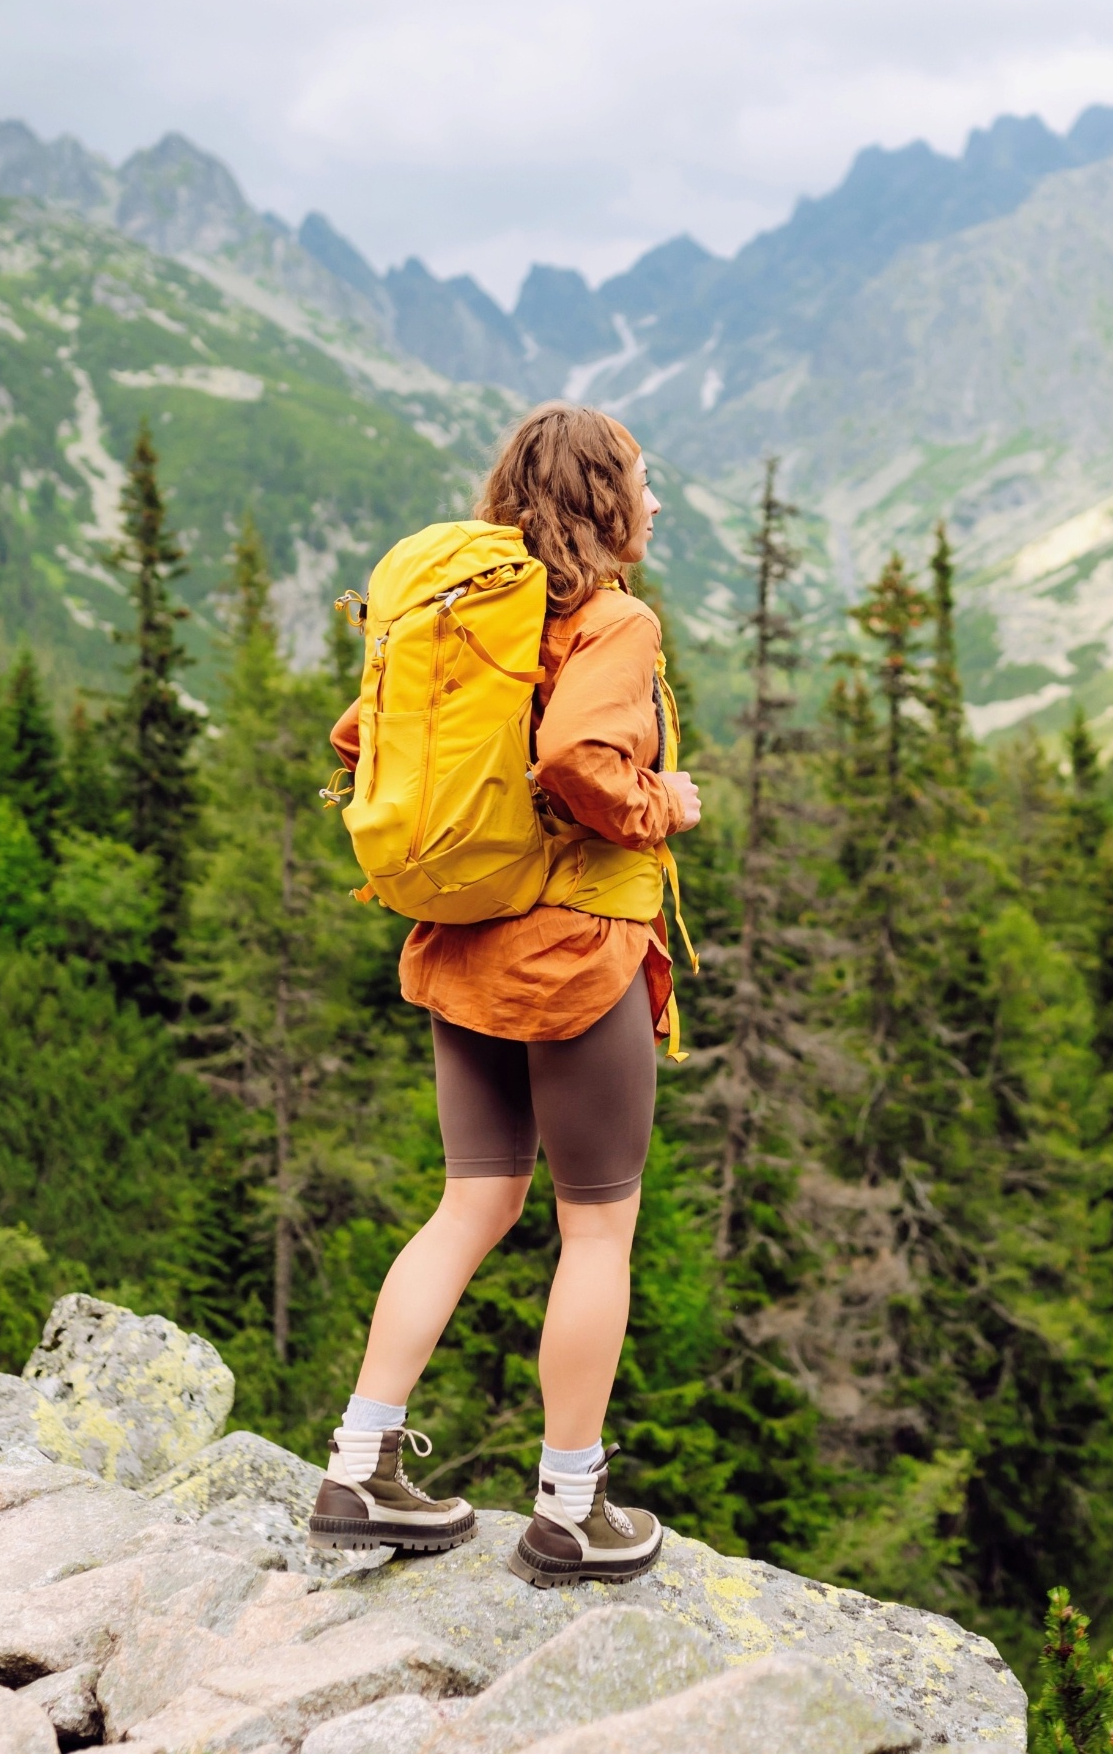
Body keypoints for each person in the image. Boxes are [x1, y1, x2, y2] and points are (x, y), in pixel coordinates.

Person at [309, 403, 701, 1588]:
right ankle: (572, 1509)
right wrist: (663, 805)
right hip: (576, 958)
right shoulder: (611, 621)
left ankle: (358, 1464)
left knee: (469, 1203)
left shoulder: (467, 613)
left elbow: (353, 738)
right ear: (606, 497)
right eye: (643, 478)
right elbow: (580, 761)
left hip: (465, 945)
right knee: (596, 1228)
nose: (654, 498)